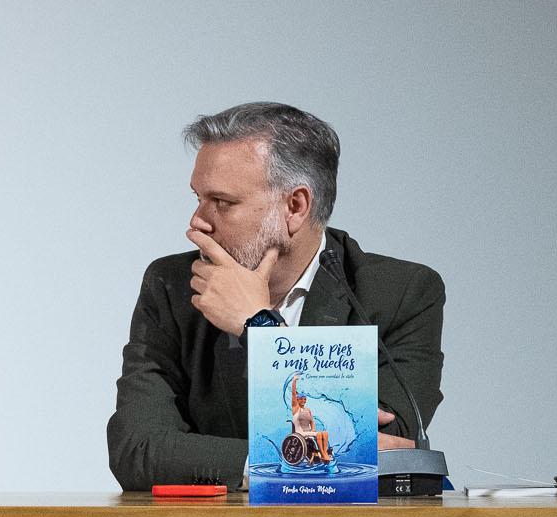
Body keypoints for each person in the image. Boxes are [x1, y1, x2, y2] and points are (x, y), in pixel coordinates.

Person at [106, 102, 444, 490]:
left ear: (295, 207)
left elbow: (384, 459)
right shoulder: (171, 285)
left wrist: (259, 327)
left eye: (222, 202)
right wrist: (280, 464)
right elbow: (137, 449)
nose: (197, 221)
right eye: (198, 197)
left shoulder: (403, 293)